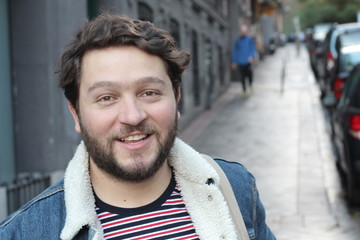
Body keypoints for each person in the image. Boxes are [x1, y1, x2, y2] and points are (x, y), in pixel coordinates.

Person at [0, 13, 276, 240]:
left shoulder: (236, 190)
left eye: (149, 93)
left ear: (176, 99)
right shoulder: (24, 232)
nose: (132, 116)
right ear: (76, 114)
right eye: (106, 98)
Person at [232, 25, 256, 97]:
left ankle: (250, 85)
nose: (243, 32)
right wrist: (234, 61)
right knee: (242, 77)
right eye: (242, 31)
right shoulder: (238, 41)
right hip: (241, 61)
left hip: (248, 61)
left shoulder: (249, 40)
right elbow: (235, 51)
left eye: (245, 31)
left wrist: (251, 56)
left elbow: (252, 49)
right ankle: (244, 90)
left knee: (249, 75)